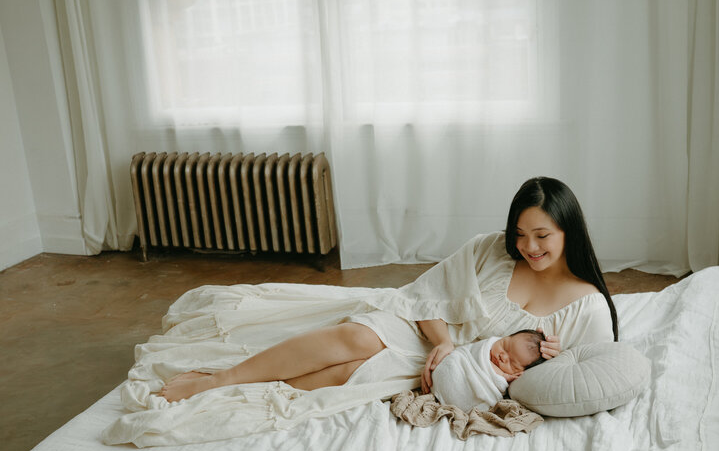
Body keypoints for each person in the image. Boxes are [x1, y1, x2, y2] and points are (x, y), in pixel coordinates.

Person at [159, 176, 618, 407]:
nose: (528, 247)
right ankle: (220, 380)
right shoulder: (490, 251)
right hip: (427, 334)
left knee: (356, 371)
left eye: (542, 235)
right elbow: (424, 295)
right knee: (357, 338)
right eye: (520, 233)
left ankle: (239, 395)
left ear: (567, 231)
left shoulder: (586, 307)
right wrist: (442, 341)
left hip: (462, 373)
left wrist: (543, 361)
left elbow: (588, 378)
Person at [431, 329, 546, 412]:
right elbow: (466, 354)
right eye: (504, 346)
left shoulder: (508, 377)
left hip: (468, 398)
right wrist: (502, 374)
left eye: (512, 362)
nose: (503, 356)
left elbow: (497, 384)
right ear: (505, 337)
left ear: (519, 373)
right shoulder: (485, 347)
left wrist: (504, 378)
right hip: (456, 368)